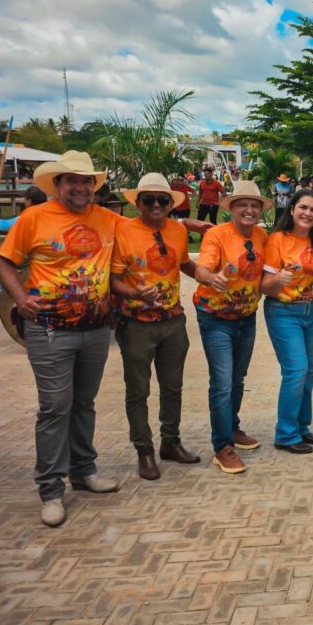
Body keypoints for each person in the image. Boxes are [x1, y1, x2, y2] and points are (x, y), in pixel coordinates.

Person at [0, 152, 122, 526]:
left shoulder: (107, 218)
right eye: (72, 181)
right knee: (55, 407)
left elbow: (151, 227)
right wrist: (20, 298)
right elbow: (4, 260)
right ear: (58, 184)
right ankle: (51, 488)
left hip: (97, 328)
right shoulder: (34, 218)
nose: (81, 188)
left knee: (84, 403)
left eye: (87, 181)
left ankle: (84, 471)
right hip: (50, 329)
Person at [111, 173, 200, 481]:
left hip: (173, 320)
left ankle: (170, 442)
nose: (156, 205)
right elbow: (114, 279)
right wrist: (134, 293)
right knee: (138, 391)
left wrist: (204, 275)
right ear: (138, 203)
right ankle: (144, 450)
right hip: (137, 323)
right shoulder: (125, 231)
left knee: (173, 387)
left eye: (163, 199)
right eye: (149, 199)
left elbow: (184, 262)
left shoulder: (176, 229)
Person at [193, 180, 271, 474]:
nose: (249, 210)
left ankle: (233, 427)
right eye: (243, 205)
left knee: (238, 378)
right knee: (222, 382)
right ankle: (222, 445)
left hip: (246, 316)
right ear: (232, 209)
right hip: (215, 318)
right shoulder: (217, 235)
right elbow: (203, 266)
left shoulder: (262, 235)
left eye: (254, 205)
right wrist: (211, 278)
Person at [261, 188, 313, 455]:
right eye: (303, 207)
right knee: (296, 369)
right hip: (283, 310)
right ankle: (286, 434)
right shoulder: (277, 240)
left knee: (309, 370)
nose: (307, 213)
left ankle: (301, 426)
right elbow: (265, 286)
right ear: (291, 209)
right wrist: (279, 280)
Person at [0, 185, 48, 306]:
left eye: (25, 200)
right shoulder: (48, 215)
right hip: (40, 253)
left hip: (27, 256)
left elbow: (4, 225)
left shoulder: (28, 215)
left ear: (29, 201)